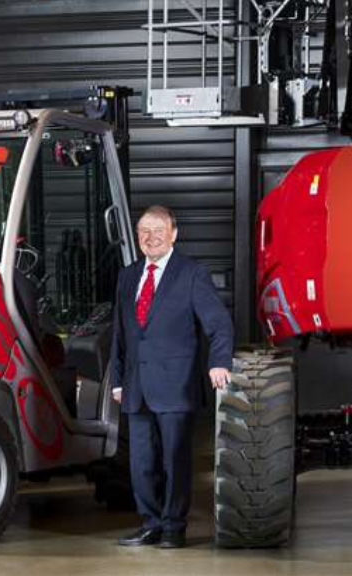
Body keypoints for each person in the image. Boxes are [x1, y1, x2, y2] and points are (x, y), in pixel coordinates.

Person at [109, 205, 234, 549]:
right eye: (144, 232)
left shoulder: (191, 273)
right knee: (141, 464)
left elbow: (219, 324)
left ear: (174, 234)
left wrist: (219, 362)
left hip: (176, 386)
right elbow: (120, 334)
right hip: (136, 387)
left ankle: (173, 528)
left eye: (158, 230)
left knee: (175, 462)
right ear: (137, 237)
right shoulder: (128, 275)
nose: (151, 238)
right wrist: (118, 381)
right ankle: (150, 524)